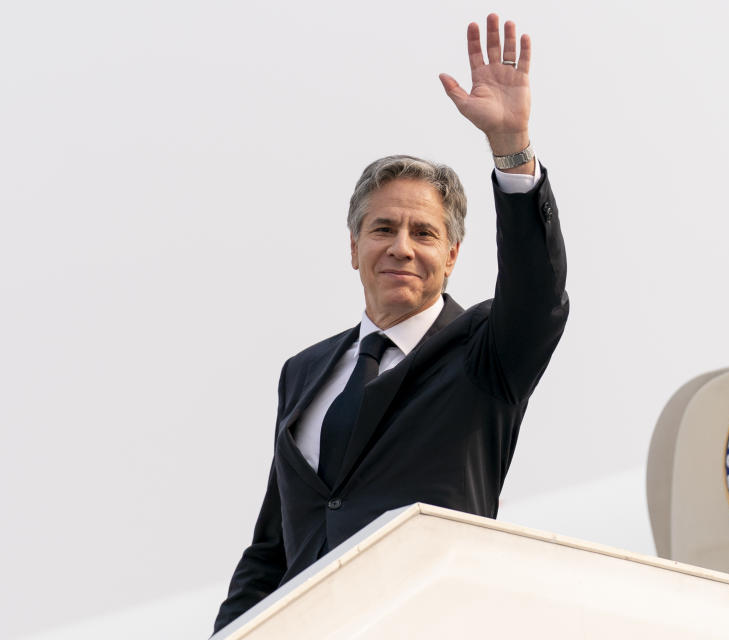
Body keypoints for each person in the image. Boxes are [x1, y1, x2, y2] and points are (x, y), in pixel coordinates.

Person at [213, 13, 568, 634]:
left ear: (452, 255)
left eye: (423, 233)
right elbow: (273, 548)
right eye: (383, 229)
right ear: (353, 248)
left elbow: (538, 295)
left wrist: (511, 149)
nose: (402, 247)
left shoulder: (484, 355)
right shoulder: (303, 373)